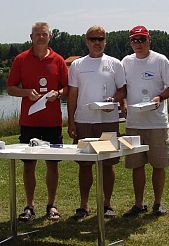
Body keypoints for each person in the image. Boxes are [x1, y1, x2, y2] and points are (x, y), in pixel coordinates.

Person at [6, 22, 68, 221]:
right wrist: (26, 93)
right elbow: (10, 88)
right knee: (28, 164)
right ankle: (30, 206)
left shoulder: (58, 60)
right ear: (31, 37)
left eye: (44, 34)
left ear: (50, 37)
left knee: (52, 164)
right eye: (37, 34)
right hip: (29, 121)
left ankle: (51, 205)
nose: (41, 37)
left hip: (52, 122)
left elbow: (67, 88)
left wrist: (57, 94)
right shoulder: (21, 59)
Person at [67, 25, 126, 219]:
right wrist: (71, 121)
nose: (97, 42)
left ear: (105, 41)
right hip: (84, 121)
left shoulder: (115, 64)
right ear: (86, 41)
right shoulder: (77, 65)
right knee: (85, 165)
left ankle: (107, 205)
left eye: (100, 39)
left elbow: (122, 90)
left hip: (108, 121)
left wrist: (114, 101)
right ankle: (83, 205)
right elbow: (72, 95)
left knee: (108, 164)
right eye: (93, 39)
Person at [121, 25, 169, 217]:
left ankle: (157, 203)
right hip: (134, 123)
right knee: (137, 165)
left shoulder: (160, 60)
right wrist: (124, 103)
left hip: (157, 123)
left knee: (158, 165)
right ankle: (138, 204)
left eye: (142, 39)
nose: (138, 44)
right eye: (134, 40)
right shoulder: (126, 62)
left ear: (149, 40)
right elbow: (123, 89)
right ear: (130, 42)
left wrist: (160, 98)